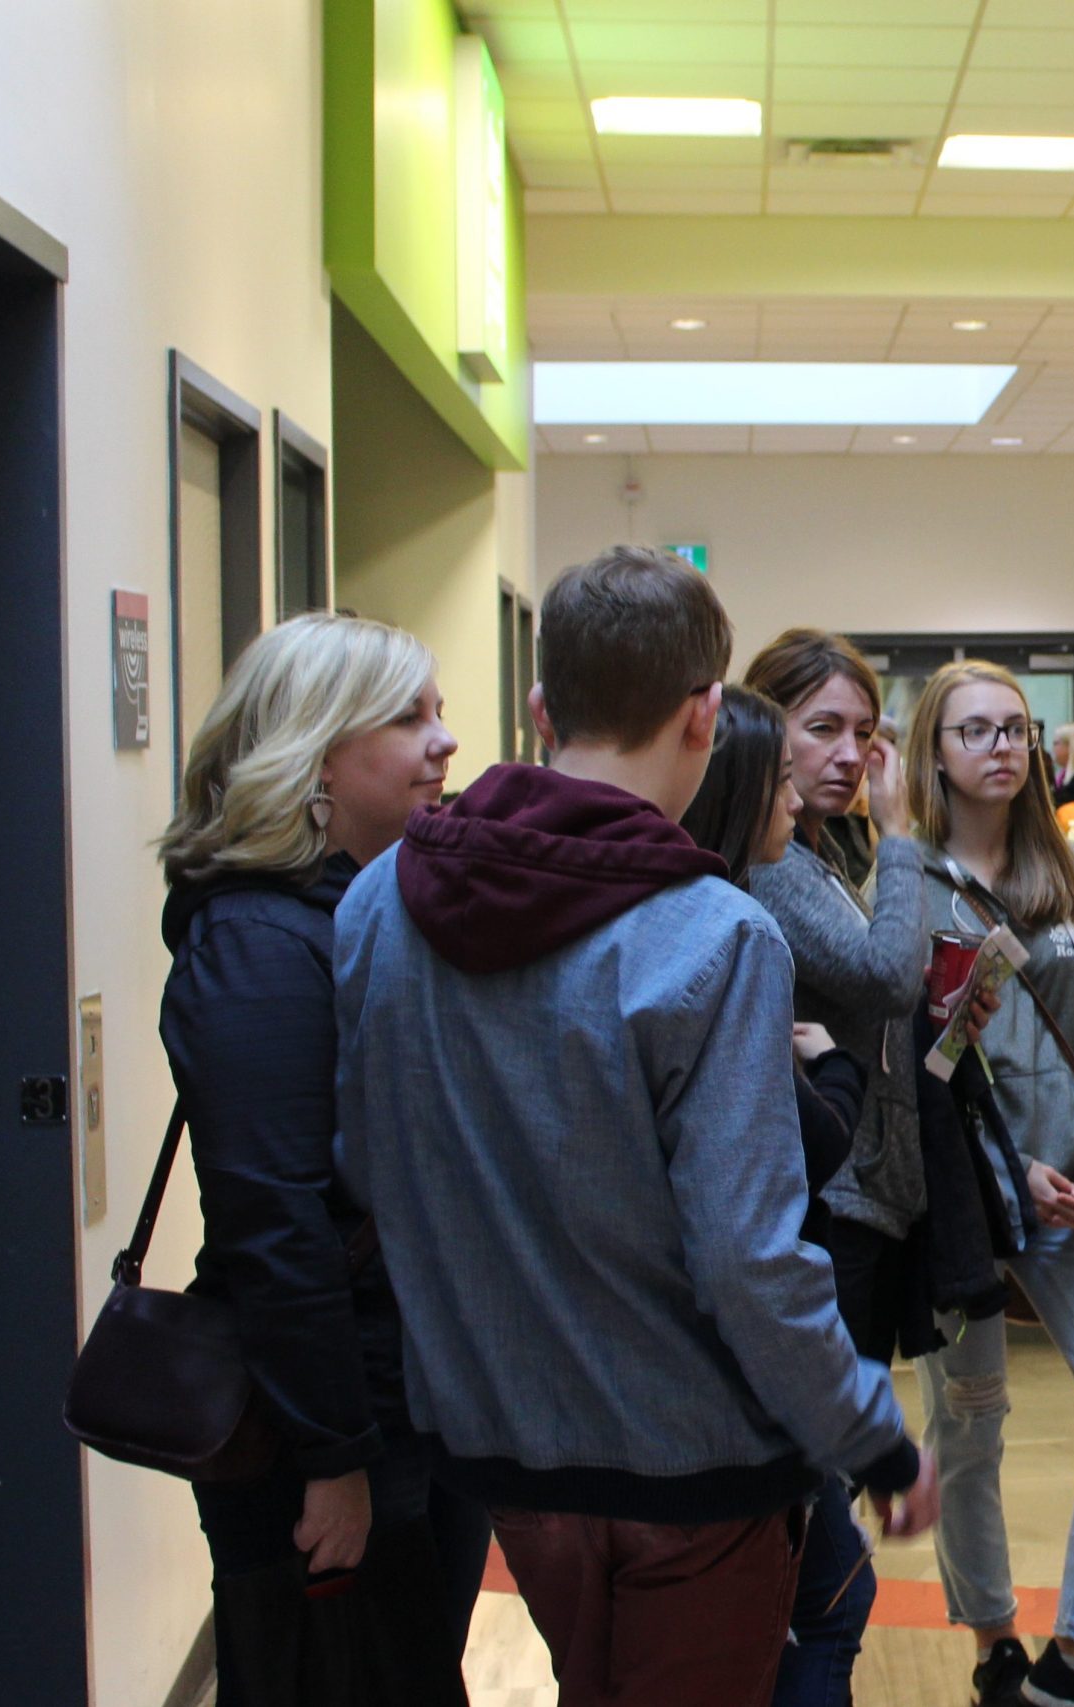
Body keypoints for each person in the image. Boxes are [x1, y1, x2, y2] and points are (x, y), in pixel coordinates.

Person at [335, 547, 936, 1707]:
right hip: (691, 1469)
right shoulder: (713, 936)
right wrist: (873, 1437)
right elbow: (747, 1259)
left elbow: (369, 1163)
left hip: (505, 1448)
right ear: (707, 717)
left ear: (538, 708)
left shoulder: (378, 903)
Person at [156, 613, 486, 1707]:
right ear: (314, 757)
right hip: (328, 1440)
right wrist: (332, 1462)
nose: (443, 741)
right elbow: (273, 1225)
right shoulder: (255, 942)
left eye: (436, 711)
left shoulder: (348, 913)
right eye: (408, 716)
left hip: (400, 1414)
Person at [904, 662, 1074, 1707]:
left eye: (1015, 729)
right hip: (963, 1205)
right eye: (973, 731)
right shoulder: (904, 884)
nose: (999, 748)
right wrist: (996, 1167)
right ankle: (993, 1651)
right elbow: (906, 1056)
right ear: (936, 748)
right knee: (969, 1426)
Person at [679, 683, 884, 1707]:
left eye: (863, 733)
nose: (807, 795)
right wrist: (837, 1065)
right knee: (824, 1602)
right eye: (808, 746)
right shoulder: (737, 927)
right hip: (728, 1375)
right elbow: (796, 1155)